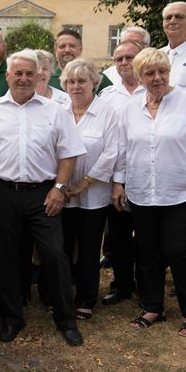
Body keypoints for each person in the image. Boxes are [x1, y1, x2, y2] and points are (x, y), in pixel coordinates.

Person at [0, 49, 86, 346]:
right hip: (2, 192)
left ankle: (66, 320)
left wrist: (59, 189)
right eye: (18, 73)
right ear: (8, 76)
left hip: (43, 193)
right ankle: (12, 319)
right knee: (8, 256)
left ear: (39, 76)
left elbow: (69, 154)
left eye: (29, 73)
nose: (23, 78)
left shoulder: (56, 110)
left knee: (55, 254)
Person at [111, 47, 186, 337]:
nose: (157, 78)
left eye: (162, 71)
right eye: (149, 73)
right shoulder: (130, 109)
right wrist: (119, 182)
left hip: (179, 192)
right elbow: (123, 149)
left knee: (180, 251)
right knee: (148, 253)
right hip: (142, 191)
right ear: (139, 76)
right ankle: (152, 305)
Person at [59, 58, 120, 320]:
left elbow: (112, 152)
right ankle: (58, 296)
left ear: (94, 83)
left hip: (93, 195)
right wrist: (61, 185)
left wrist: (83, 184)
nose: (76, 86)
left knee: (88, 247)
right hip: (60, 194)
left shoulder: (108, 112)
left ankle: (85, 298)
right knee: (60, 247)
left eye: (82, 81)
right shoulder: (58, 110)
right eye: (71, 81)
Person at [97, 40, 146, 306]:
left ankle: (146, 284)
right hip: (116, 177)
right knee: (118, 236)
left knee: (148, 236)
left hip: (146, 176)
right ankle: (122, 283)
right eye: (119, 59)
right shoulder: (108, 95)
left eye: (130, 57)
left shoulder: (152, 90)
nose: (124, 63)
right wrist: (116, 181)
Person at [97, 26, 151, 94]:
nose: (129, 47)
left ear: (146, 47)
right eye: (126, 43)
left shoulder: (158, 74)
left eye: (135, 43)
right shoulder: (108, 76)